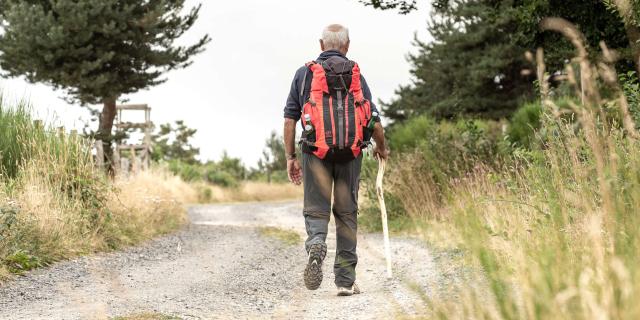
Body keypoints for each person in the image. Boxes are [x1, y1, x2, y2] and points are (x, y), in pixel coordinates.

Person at [283, 24, 389, 297]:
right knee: (346, 215)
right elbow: (373, 119)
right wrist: (381, 147)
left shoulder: (304, 74)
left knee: (316, 209)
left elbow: (290, 118)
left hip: (314, 153)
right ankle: (344, 280)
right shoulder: (356, 74)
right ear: (347, 45)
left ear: (321, 44)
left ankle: (317, 243)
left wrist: (290, 157)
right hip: (350, 154)